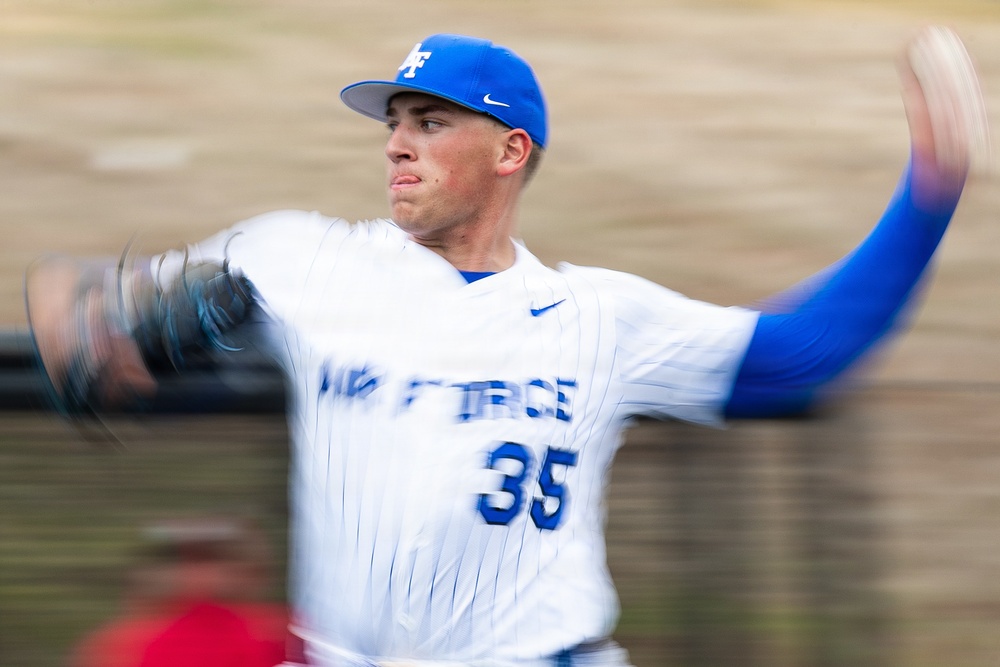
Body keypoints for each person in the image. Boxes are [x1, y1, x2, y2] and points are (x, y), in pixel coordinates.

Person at [27, 26, 989, 667]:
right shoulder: (295, 258)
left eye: (432, 123)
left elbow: (807, 353)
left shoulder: (601, 320)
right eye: (394, 123)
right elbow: (82, 312)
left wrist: (929, 193)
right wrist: (81, 320)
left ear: (511, 151)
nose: (398, 144)